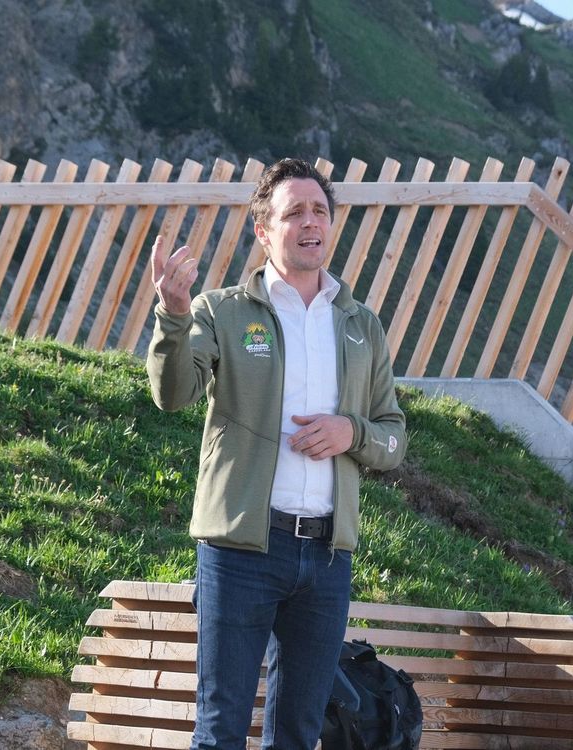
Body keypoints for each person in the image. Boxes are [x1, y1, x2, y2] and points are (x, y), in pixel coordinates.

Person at [146, 158, 406, 749]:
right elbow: (173, 394)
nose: (310, 222)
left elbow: (393, 435)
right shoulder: (221, 310)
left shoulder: (361, 324)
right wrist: (174, 316)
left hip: (327, 559)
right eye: (294, 213)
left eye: (320, 211)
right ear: (264, 232)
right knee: (220, 730)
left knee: (298, 735)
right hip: (242, 550)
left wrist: (351, 433)